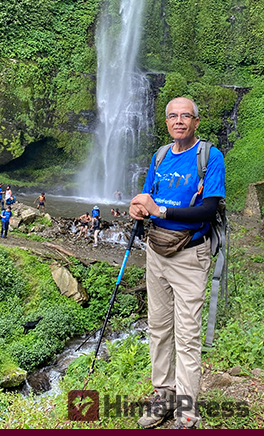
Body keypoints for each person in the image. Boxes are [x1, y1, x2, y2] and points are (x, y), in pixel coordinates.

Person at [129, 97, 225, 429]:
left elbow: (208, 210)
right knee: (158, 328)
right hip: (156, 253)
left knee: (186, 334)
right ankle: (162, 395)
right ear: (166, 122)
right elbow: (146, 200)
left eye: (186, 116)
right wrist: (137, 208)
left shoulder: (209, 157)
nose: (179, 121)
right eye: (173, 116)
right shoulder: (159, 156)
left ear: (196, 122)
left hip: (190, 254)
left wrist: (162, 212)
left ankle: (186, 407)